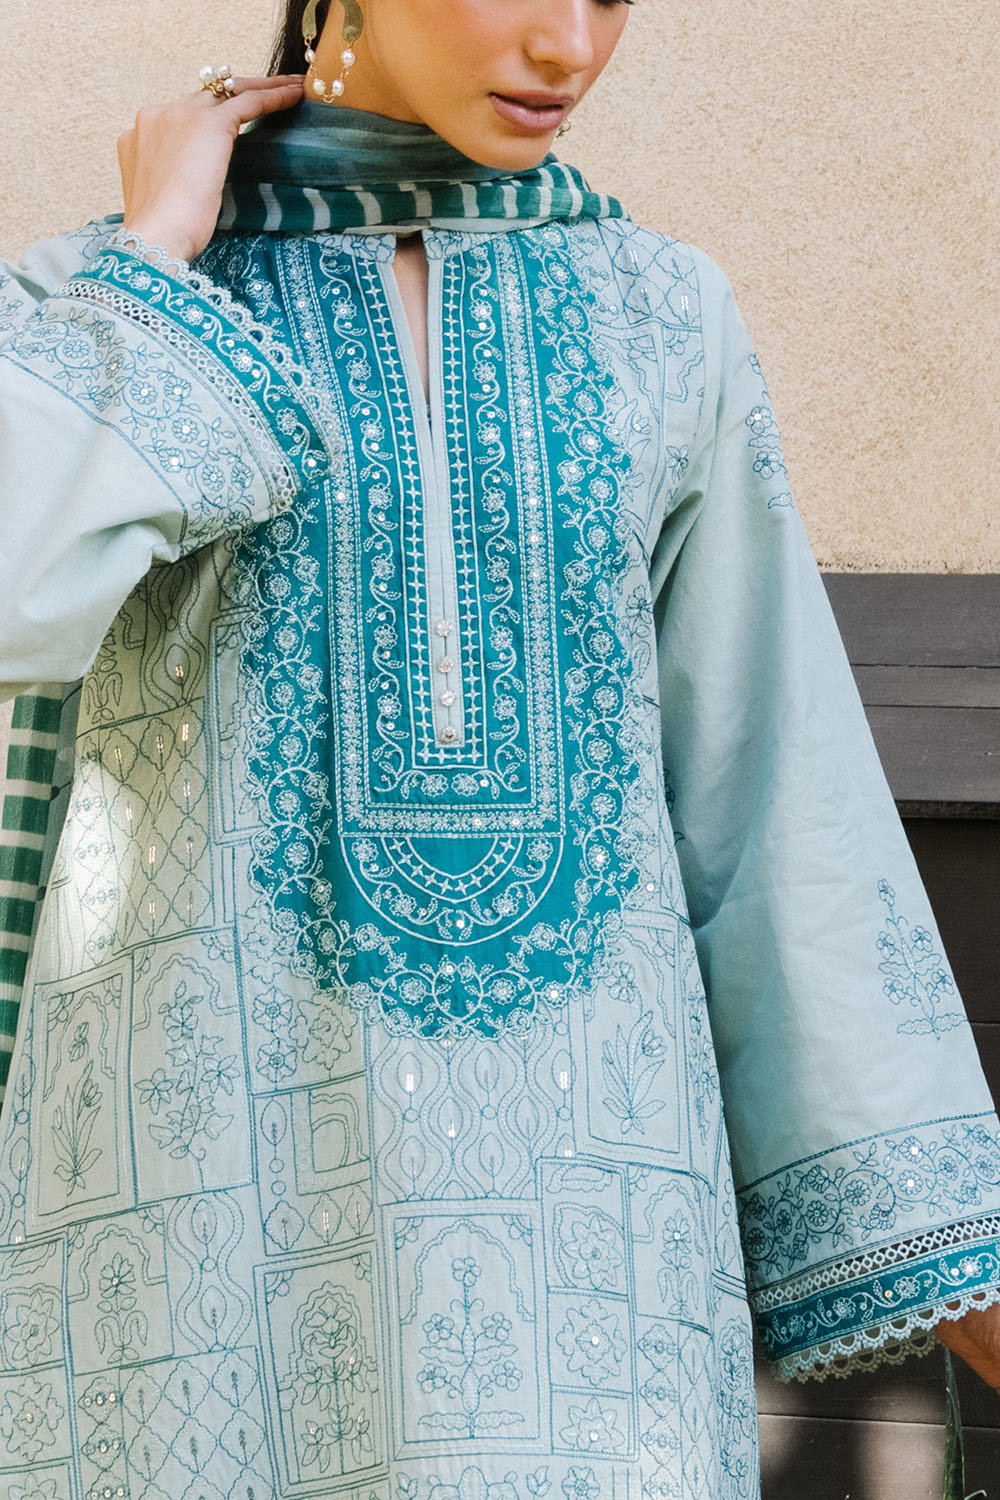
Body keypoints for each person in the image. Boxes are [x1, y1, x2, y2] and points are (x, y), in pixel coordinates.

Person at [0, 1, 997, 1495]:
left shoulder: (663, 314)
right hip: (202, 1256)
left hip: (601, 1279)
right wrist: (153, 264)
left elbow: (773, 798)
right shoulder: (91, 305)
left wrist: (948, 1257)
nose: (571, 46)